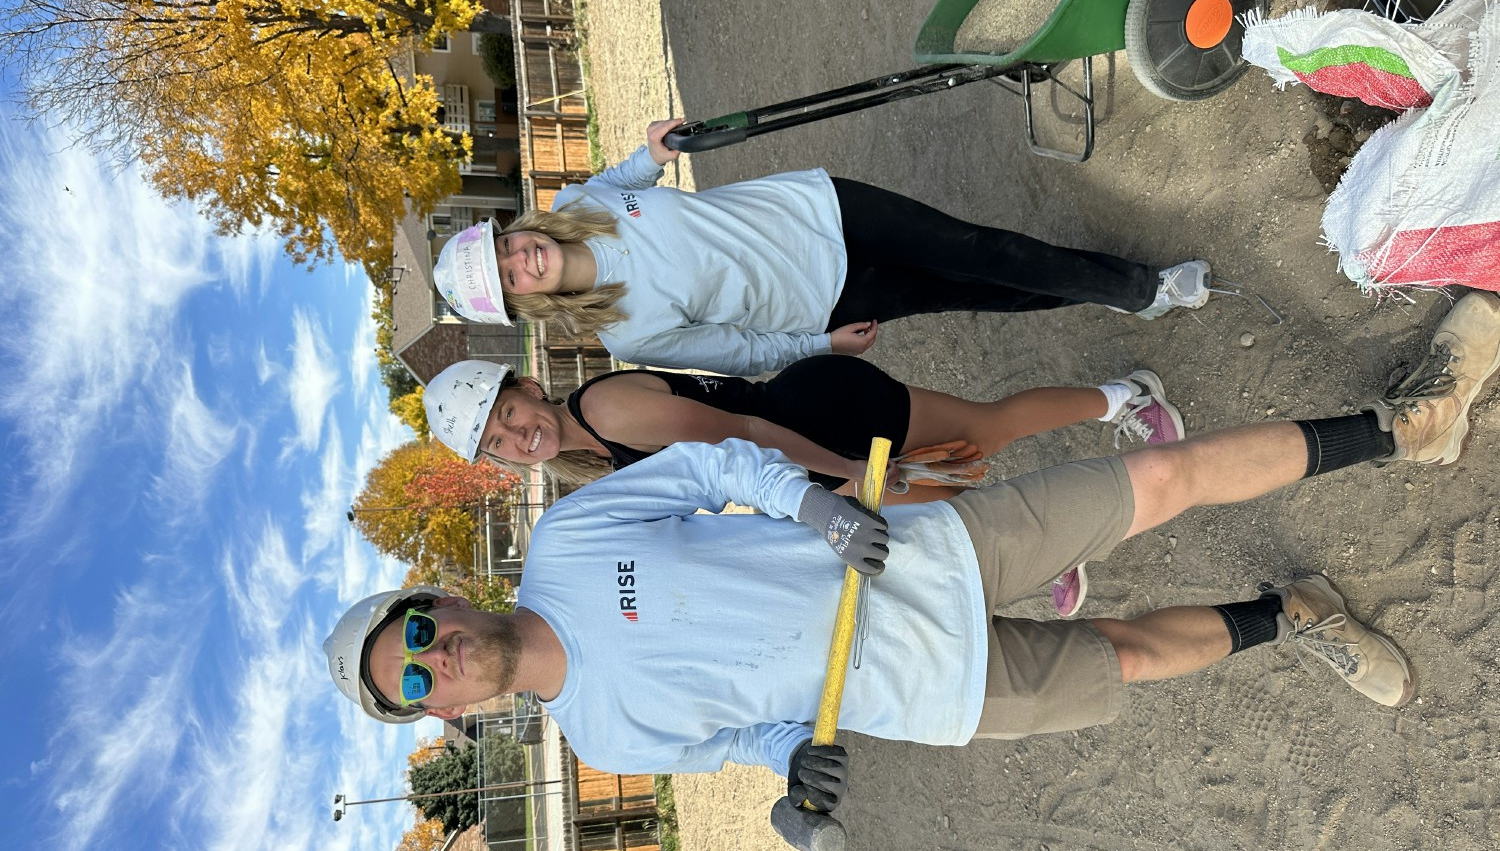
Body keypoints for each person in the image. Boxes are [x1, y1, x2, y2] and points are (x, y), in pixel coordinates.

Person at [326, 292, 1500, 813]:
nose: (443, 658)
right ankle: (1295, 614)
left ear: (434, 597)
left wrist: (814, 508)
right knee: (1128, 655)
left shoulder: (570, 537)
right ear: (446, 719)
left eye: (417, 633)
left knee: (1164, 476)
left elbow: (724, 462)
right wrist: (795, 774)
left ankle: (1407, 428)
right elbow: (751, 732)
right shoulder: (605, 738)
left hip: (917, 553)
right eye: (419, 683)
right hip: (923, 691)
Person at [430, 119, 1218, 376]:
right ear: (524, 305)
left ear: (513, 229)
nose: (519, 259)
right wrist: (822, 344)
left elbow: (615, 173)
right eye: (507, 280)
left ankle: (1143, 287)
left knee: (981, 247)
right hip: (829, 299)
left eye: (505, 246)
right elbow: (736, 351)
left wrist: (653, 153)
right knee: (982, 289)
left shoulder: (577, 204)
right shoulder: (627, 332)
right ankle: (1115, 289)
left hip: (817, 207)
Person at [420, 354, 1185, 505]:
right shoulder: (590, 465)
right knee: (954, 494)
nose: (515, 435)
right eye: (494, 441)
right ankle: (1051, 552)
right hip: (811, 466)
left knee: (982, 434)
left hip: (820, 421)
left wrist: (850, 472)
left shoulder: (609, 412)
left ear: (525, 386)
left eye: (506, 413)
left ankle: (1125, 397)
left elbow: (745, 425)